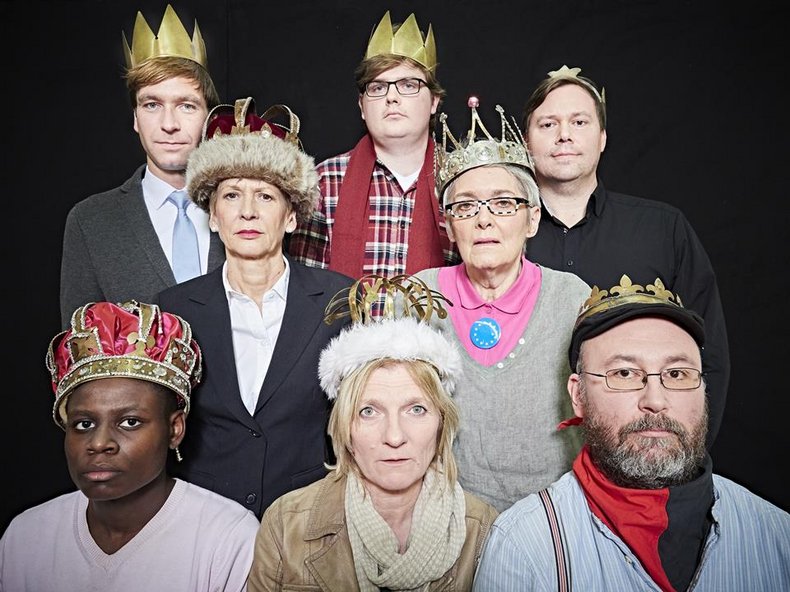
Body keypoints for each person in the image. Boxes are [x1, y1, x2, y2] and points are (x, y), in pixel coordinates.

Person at [472, 277, 790, 591]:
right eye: (624, 373)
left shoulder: (778, 536)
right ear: (578, 395)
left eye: (677, 374)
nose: (655, 401)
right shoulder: (523, 547)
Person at [155, 97, 353, 518]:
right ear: (212, 216)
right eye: (231, 195)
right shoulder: (175, 310)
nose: (247, 212)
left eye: (265, 196)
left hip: (306, 520)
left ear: (291, 216)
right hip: (203, 521)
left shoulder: (339, 301)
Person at [522, 65, 729, 449]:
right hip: (526, 448)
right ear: (527, 142)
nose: (564, 134)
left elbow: (708, 352)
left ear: (602, 137)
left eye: (579, 122)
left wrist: (689, 453)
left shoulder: (662, 228)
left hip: (638, 450)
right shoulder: (498, 234)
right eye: (548, 124)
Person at [247, 275, 498, 591]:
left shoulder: (485, 530)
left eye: (416, 409)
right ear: (344, 428)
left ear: (441, 422)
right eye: (369, 411)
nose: (394, 436)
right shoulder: (286, 524)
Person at [0, 301, 259, 591]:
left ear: (175, 429)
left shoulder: (228, 538)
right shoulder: (25, 537)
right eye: (84, 424)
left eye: (130, 422)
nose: (99, 444)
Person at [414, 98, 590, 512]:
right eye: (465, 206)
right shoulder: (417, 296)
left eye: (503, 204)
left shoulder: (573, 298)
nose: (484, 219)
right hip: (444, 516)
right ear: (449, 225)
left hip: (554, 519)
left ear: (532, 219)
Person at [59, 4, 225, 327]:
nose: (169, 124)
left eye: (186, 106)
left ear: (209, 117)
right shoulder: (90, 222)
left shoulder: (245, 209)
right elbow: (78, 346)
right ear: (135, 117)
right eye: (152, 105)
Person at [288, 10, 459, 281]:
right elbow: (306, 287)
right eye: (378, 87)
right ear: (362, 106)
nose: (392, 97)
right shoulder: (323, 181)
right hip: (344, 311)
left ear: (434, 101)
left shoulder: (461, 179)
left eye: (408, 85)